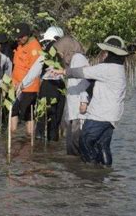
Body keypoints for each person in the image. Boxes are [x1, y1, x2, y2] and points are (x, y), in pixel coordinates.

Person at [52, 36, 128, 166]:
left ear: (109, 54)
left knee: (85, 140)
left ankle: (91, 169)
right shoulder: (119, 69)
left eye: (105, 52)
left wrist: (63, 71)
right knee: (103, 145)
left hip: (100, 115)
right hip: (113, 116)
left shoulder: (107, 68)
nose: (103, 54)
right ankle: (105, 170)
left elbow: (82, 72)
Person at [19, 26, 65, 141]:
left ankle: (40, 149)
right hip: (61, 88)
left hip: (48, 87)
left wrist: (23, 84)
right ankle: (52, 149)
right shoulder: (66, 51)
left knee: (42, 120)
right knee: (55, 121)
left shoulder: (46, 51)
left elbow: (35, 70)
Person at [53, 36, 90, 155]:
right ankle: (72, 170)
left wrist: (84, 101)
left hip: (79, 108)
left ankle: (77, 169)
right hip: (74, 107)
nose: (61, 56)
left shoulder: (78, 58)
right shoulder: (73, 60)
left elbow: (85, 80)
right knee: (71, 143)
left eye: (61, 53)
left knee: (75, 142)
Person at [11, 23, 42, 135]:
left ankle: (26, 138)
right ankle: (15, 136)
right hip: (17, 86)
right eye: (17, 37)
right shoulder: (20, 45)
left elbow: (35, 69)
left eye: (21, 36)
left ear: (27, 35)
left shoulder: (34, 47)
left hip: (29, 87)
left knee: (25, 112)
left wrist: (23, 83)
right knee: (17, 111)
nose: (18, 39)